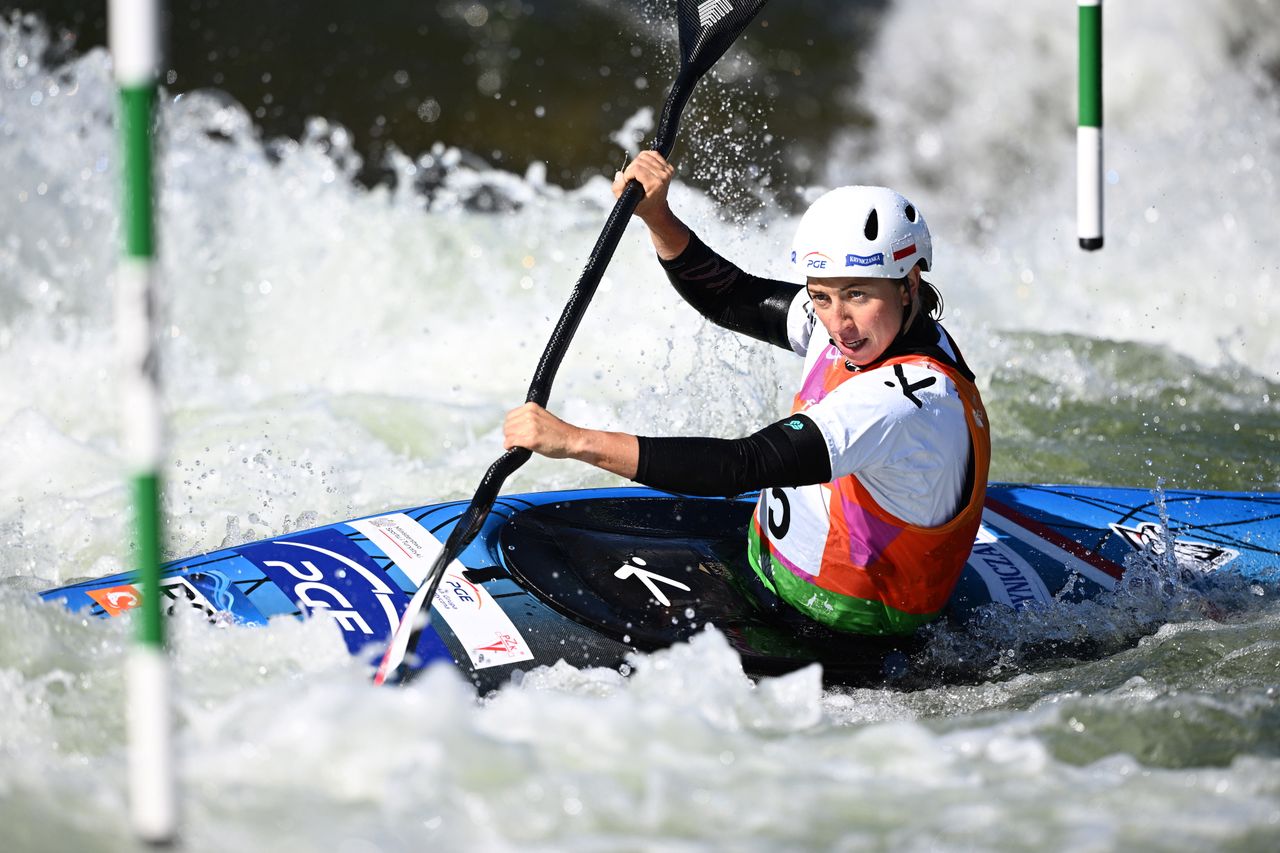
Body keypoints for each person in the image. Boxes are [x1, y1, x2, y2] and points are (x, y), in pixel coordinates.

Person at [503, 151, 990, 636]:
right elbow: (733, 296)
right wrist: (657, 217)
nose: (839, 324)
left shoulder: (903, 402)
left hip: (838, 626)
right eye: (821, 296)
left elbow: (742, 465)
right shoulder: (876, 327)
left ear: (908, 284)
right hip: (768, 569)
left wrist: (573, 442)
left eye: (857, 295)